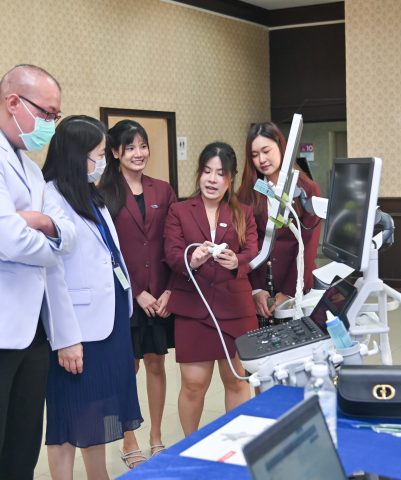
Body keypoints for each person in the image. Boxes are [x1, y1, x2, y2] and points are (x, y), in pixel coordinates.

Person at [42, 115, 143, 480]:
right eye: (98, 154)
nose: (102, 162)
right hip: (78, 327)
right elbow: (51, 274)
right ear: (76, 155)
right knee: (67, 417)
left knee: (98, 409)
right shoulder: (50, 197)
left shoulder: (90, 192)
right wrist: (66, 338)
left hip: (110, 317)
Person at [0, 64, 76, 480]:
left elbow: (68, 234)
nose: (50, 124)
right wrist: (50, 242)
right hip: (3, 330)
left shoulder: (30, 168)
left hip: (32, 333)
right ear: (13, 102)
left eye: (55, 116)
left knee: (23, 445)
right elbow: (9, 239)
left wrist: (41, 222)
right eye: (46, 113)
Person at [164, 142, 258, 436]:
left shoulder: (243, 212)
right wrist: (191, 260)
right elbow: (171, 252)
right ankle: (190, 444)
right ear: (199, 174)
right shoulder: (179, 210)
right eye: (207, 171)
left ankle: (238, 444)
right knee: (193, 384)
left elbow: (252, 251)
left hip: (235, 308)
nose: (212, 179)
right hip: (194, 307)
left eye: (220, 173)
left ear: (230, 178)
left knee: (237, 380)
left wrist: (237, 261)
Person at [99, 119, 176, 466]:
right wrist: (135, 293)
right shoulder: (103, 193)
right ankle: (128, 439)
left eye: (143, 145)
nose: (138, 153)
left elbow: (174, 243)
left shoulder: (163, 190)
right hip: (123, 298)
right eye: (130, 147)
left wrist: (170, 290)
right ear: (115, 152)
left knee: (156, 363)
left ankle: (156, 437)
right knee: (126, 368)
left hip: (160, 296)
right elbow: (104, 252)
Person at [237, 121, 321, 321]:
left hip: (297, 282)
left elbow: (308, 245)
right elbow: (244, 243)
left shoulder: (307, 190)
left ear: (282, 147)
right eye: (255, 155)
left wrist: (289, 291)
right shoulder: (247, 193)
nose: (261, 160)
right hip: (261, 284)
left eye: (266, 151)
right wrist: (255, 289)